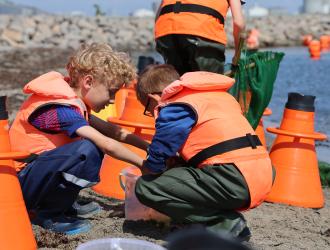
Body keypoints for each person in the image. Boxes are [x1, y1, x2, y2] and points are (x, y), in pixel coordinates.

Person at [9, 43, 149, 235]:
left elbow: (113, 131)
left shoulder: (74, 103)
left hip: (35, 175)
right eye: (111, 92)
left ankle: (64, 204)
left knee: (86, 148)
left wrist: (147, 147)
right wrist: (143, 163)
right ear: (88, 82)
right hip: (19, 186)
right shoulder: (60, 110)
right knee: (88, 149)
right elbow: (107, 143)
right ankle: (48, 214)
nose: (112, 100)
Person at [134, 64, 274, 241]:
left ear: (152, 97)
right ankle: (213, 220)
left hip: (234, 178)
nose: (152, 113)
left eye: (148, 108)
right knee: (180, 173)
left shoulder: (176, 105)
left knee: (146, 187)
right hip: (263, 175)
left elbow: (158, 153)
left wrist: (150, 169)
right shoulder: (219, 96)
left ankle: (224, 223)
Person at [154, 0, 246, 75]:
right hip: (201, 31)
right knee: (209, 88)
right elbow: (239, 23)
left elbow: (158, 15)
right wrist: (237, 55)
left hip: (165, 31)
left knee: (177, 85)